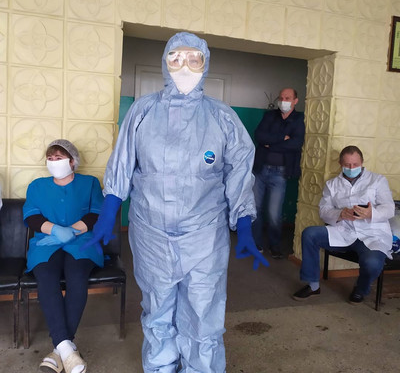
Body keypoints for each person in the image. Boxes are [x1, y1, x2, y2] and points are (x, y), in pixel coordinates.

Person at [84, 31, 269, 372]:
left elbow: (240, 173)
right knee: (158, 309)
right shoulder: (143, 111)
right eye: (176, 58)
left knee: (203, 311)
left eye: (193, 59)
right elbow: (122, 164)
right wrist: (108, 213)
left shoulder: (222, 117)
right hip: (150, 231)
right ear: (164, 63)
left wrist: (244, 225)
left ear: (205, 64)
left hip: (205, 234)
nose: (184, 66)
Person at [23, 139, 104, 373]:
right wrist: (56, 230)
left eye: (58, 158)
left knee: (77, 277)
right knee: (46, 278)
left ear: (72, 161)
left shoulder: (90, 183)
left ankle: (59, 350)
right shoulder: (37, 186)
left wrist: (72, 231)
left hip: (81, 242)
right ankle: (67, 349)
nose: (53, 162)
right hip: (46, 242)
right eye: (50, 158)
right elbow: (31, 216)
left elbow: (96, 214)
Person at [292, 145, 395, 304]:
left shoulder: (377, 180)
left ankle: (360, 289)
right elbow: (324, 211)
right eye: (347, 165)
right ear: (340, 164)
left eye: (355, 164)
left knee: (372, 263)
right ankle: (313, 285)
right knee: (310, 234)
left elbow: (389, 208)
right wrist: (340, 214)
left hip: (372, 235)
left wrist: (371, 213)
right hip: (343, 232)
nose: (351, 168)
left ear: (362, 162)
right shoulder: (332, 184)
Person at [252, 88, 305, 258]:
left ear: (295, 101)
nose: (283, 101)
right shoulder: (270, 116)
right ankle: (256, 244)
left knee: (274, 213)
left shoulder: (299, 119)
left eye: (287, 98)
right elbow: (259, 136)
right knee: (255, 209)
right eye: (281, 98)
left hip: (280, 173)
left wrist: (271, 144)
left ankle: (275, 246)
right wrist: (282, 138)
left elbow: (296, 144)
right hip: (260, 169)